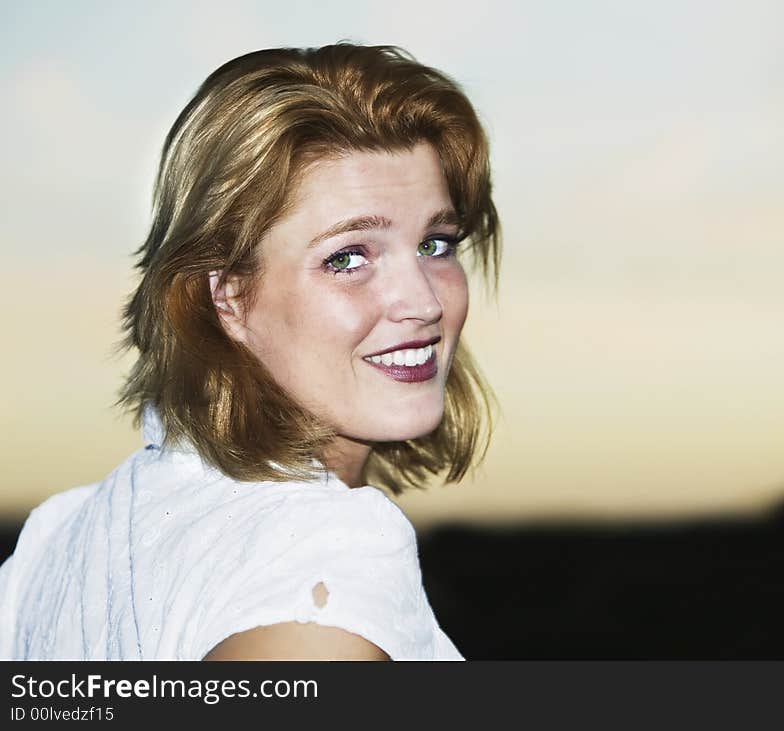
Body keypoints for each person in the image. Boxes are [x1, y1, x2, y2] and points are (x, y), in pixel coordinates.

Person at [0, 43, 500, 660]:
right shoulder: (324, 562)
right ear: (230, 297)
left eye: (435, 244)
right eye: (347, 258)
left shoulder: (64, 534)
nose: (422, 301)